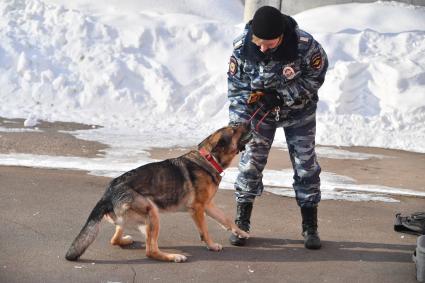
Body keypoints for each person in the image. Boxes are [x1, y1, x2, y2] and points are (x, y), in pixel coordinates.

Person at [227, 6, 328, 249]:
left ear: (281, 35)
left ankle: (310, 227)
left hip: (298, 113)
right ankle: (242, 223)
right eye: (258, 42)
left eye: (269, 43)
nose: (262, 48)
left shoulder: (305, 45)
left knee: (306, 167)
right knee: (250, 164)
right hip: (260, 115)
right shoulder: (242, 48)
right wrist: (238, 130)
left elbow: (316, 77)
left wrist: (283, 95)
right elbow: (238, 91)